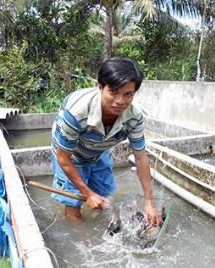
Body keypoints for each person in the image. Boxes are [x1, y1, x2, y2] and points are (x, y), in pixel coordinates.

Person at [51, 57, 162, 225]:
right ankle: (85, 243)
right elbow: (63, 158)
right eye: (113, 92)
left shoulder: (134, 117)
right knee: (74, 205)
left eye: (128, 94)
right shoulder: (76, 113)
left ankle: (105, 226)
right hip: (70, 153)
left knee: (105, 195)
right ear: (100, 88)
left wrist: (149, 200)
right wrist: (87, 194)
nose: (120, 101)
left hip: (98, 149)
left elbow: (141, 157)